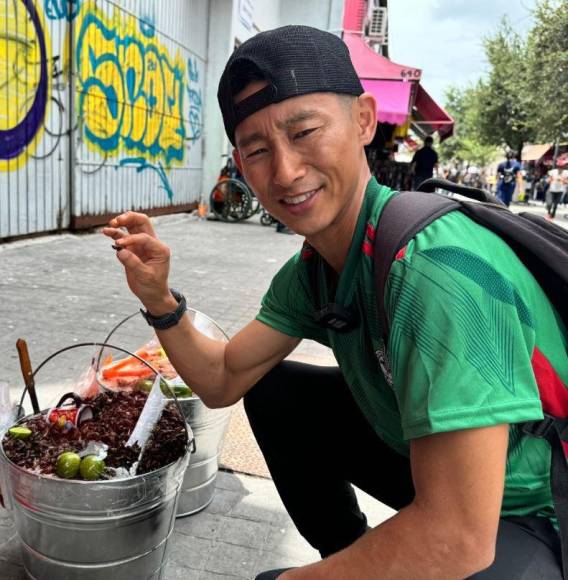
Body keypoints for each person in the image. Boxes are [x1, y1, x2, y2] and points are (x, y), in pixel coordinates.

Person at [103, 26, 565, 580]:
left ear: (364, 120)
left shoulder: (435, 272)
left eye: (305, 133)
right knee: (276, 392)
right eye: (257, 150)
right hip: (432, 474)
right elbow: (223, 378)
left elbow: (458, 538)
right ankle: (349, 551)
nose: (286, 171)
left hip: (532, 510)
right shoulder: (316, 269)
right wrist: (158, 299)